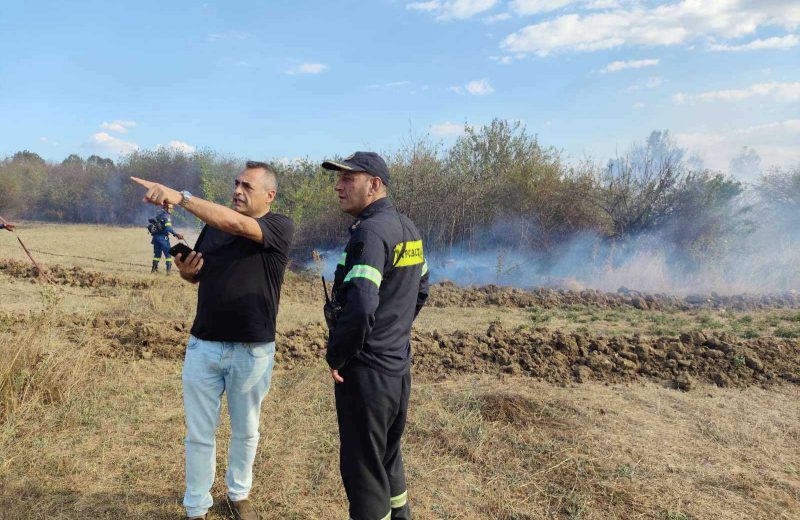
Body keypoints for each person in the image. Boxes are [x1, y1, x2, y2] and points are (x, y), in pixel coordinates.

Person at [130, 161, 294, 520]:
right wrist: (189, 274)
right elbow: (201, 272)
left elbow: (236, 224)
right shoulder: (214, 225)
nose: (237, 190)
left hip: (252, 349)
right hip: (204, 345)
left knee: (246, 430)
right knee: (199, 433)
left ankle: (238, 494)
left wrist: (180, 196)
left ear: (270, 195)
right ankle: (196, 505)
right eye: (236, 183)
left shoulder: (278, 226)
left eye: (247, 186)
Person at [322, 152, 430, 520]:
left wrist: (339, 355)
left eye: (348, 179)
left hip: (367, 374)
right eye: (339, 179)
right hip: (397, 370)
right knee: (387, 455)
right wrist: (393, 332)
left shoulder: (369, 234)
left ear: (375, 185)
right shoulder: (408, 228)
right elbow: (422, 288)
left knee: (363, 470)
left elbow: (363, 305)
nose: (338, 185)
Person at [148, 203, 184, 273]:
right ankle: (168, 272)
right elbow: (168, 229)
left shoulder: (159, 215)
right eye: (170, 208)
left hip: (155, 238)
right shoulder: (167, 216)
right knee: (168, 254)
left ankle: (153, 270)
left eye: (172, 208)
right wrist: (177, 235)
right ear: (166, 208)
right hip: (163, 238)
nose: (171, 210)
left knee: (157, 255)